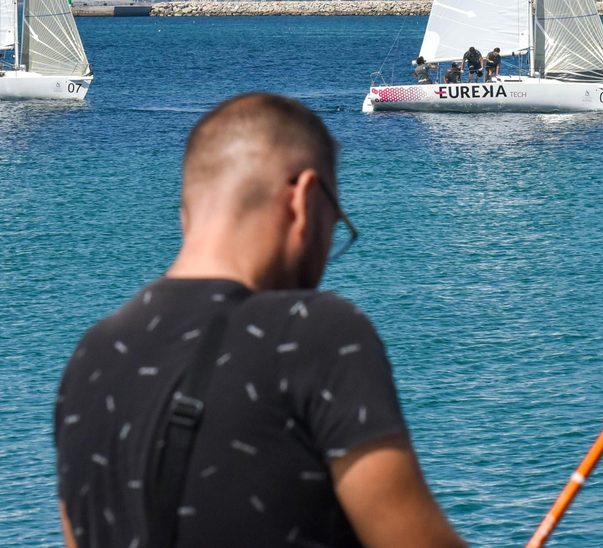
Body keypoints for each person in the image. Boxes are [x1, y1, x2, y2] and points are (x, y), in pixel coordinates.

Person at [55, 94, 464, 548]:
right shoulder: (316, 333)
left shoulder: (89, 359)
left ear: (188, 212)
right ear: (304, 199)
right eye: (336, 228)